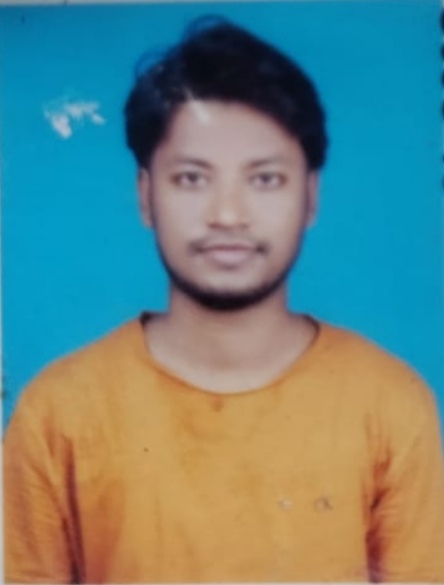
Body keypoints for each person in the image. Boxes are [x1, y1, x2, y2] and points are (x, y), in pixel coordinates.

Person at [4, 16, 444, 584]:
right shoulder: (58, 413)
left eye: (265, 179)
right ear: (145, 196)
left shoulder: (390, 405)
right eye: (192, 178)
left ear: (311, 197)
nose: (228, 214)